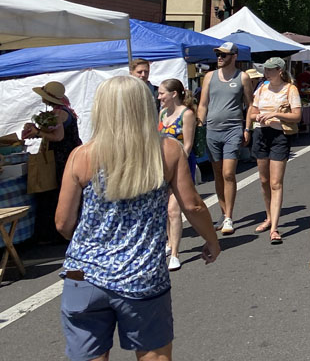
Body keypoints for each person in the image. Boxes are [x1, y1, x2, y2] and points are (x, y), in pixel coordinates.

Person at [56, 76, 219, 361]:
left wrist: (92, 249)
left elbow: (63, 223)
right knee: (154, 355)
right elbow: (192, 206)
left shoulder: (81, 156)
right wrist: (211, 241)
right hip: (141, 274)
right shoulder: (167, 150)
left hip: (82, 275)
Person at [196, 41, 252, 235]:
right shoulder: (209, 77)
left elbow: (250, 105)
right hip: (212, 130)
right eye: (218, 55)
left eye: (224, 55)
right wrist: (200, 125)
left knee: (228, 173)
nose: (219, 58)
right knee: (218, 173)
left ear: (234, 57)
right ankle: (222, 213)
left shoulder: (242, 77)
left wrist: (247, 128)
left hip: (233, 130)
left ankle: (229, 216)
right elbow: (203, 104)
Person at [249, 57, 302, 244]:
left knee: (275, 182)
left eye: (270, 70)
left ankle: (274, 228)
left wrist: (276, 114)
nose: (266, 73)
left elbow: (297, 116)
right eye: (265, 70)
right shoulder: (262, 88)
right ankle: (269, 216)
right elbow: (252, 112)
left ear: (280, 70)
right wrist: (256, 119)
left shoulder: (290, 89)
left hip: (280, 136)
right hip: (261, 134)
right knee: (263, 180)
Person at [23, 81, 83, 243]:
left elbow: (58, 137)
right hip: (67, 154)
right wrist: (38, 131)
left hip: (62, 157)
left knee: (59, 193)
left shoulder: (59, 113)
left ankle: (59, 233)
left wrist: (37, 132)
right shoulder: (63, 110)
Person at [157, 79, 198, 271]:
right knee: (165, 209)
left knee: (174, 210)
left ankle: (175, 254)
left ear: (174, 94)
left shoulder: (187, 114)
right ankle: (169, 243)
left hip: (180, 165)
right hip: (161, 166)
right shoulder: (162, 113)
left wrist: (176, 167)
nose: (159, 97)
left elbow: (188, 145)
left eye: (162, 93)